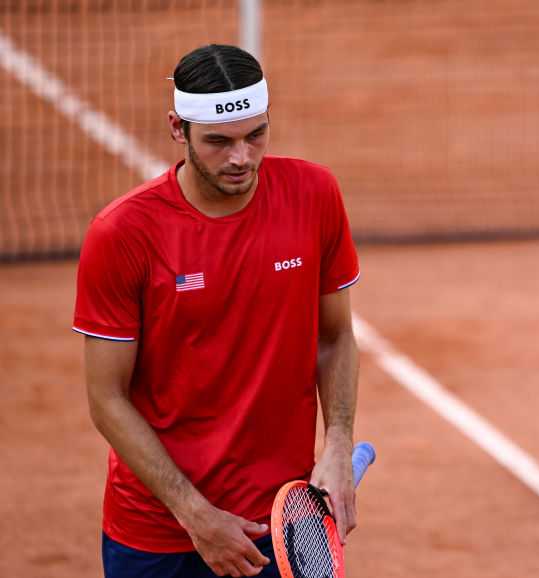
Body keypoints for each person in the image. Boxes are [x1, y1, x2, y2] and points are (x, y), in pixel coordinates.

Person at [73, 44, 361, 578]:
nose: (241, 158)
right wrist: (196, 515)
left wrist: (339, 443)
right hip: (158, 535)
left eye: (256, 135)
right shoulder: (123, 234)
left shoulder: (314, 194)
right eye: (219, 142)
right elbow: (106, 398)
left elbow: (335, 337)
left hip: (279, 522)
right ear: (177, 129)